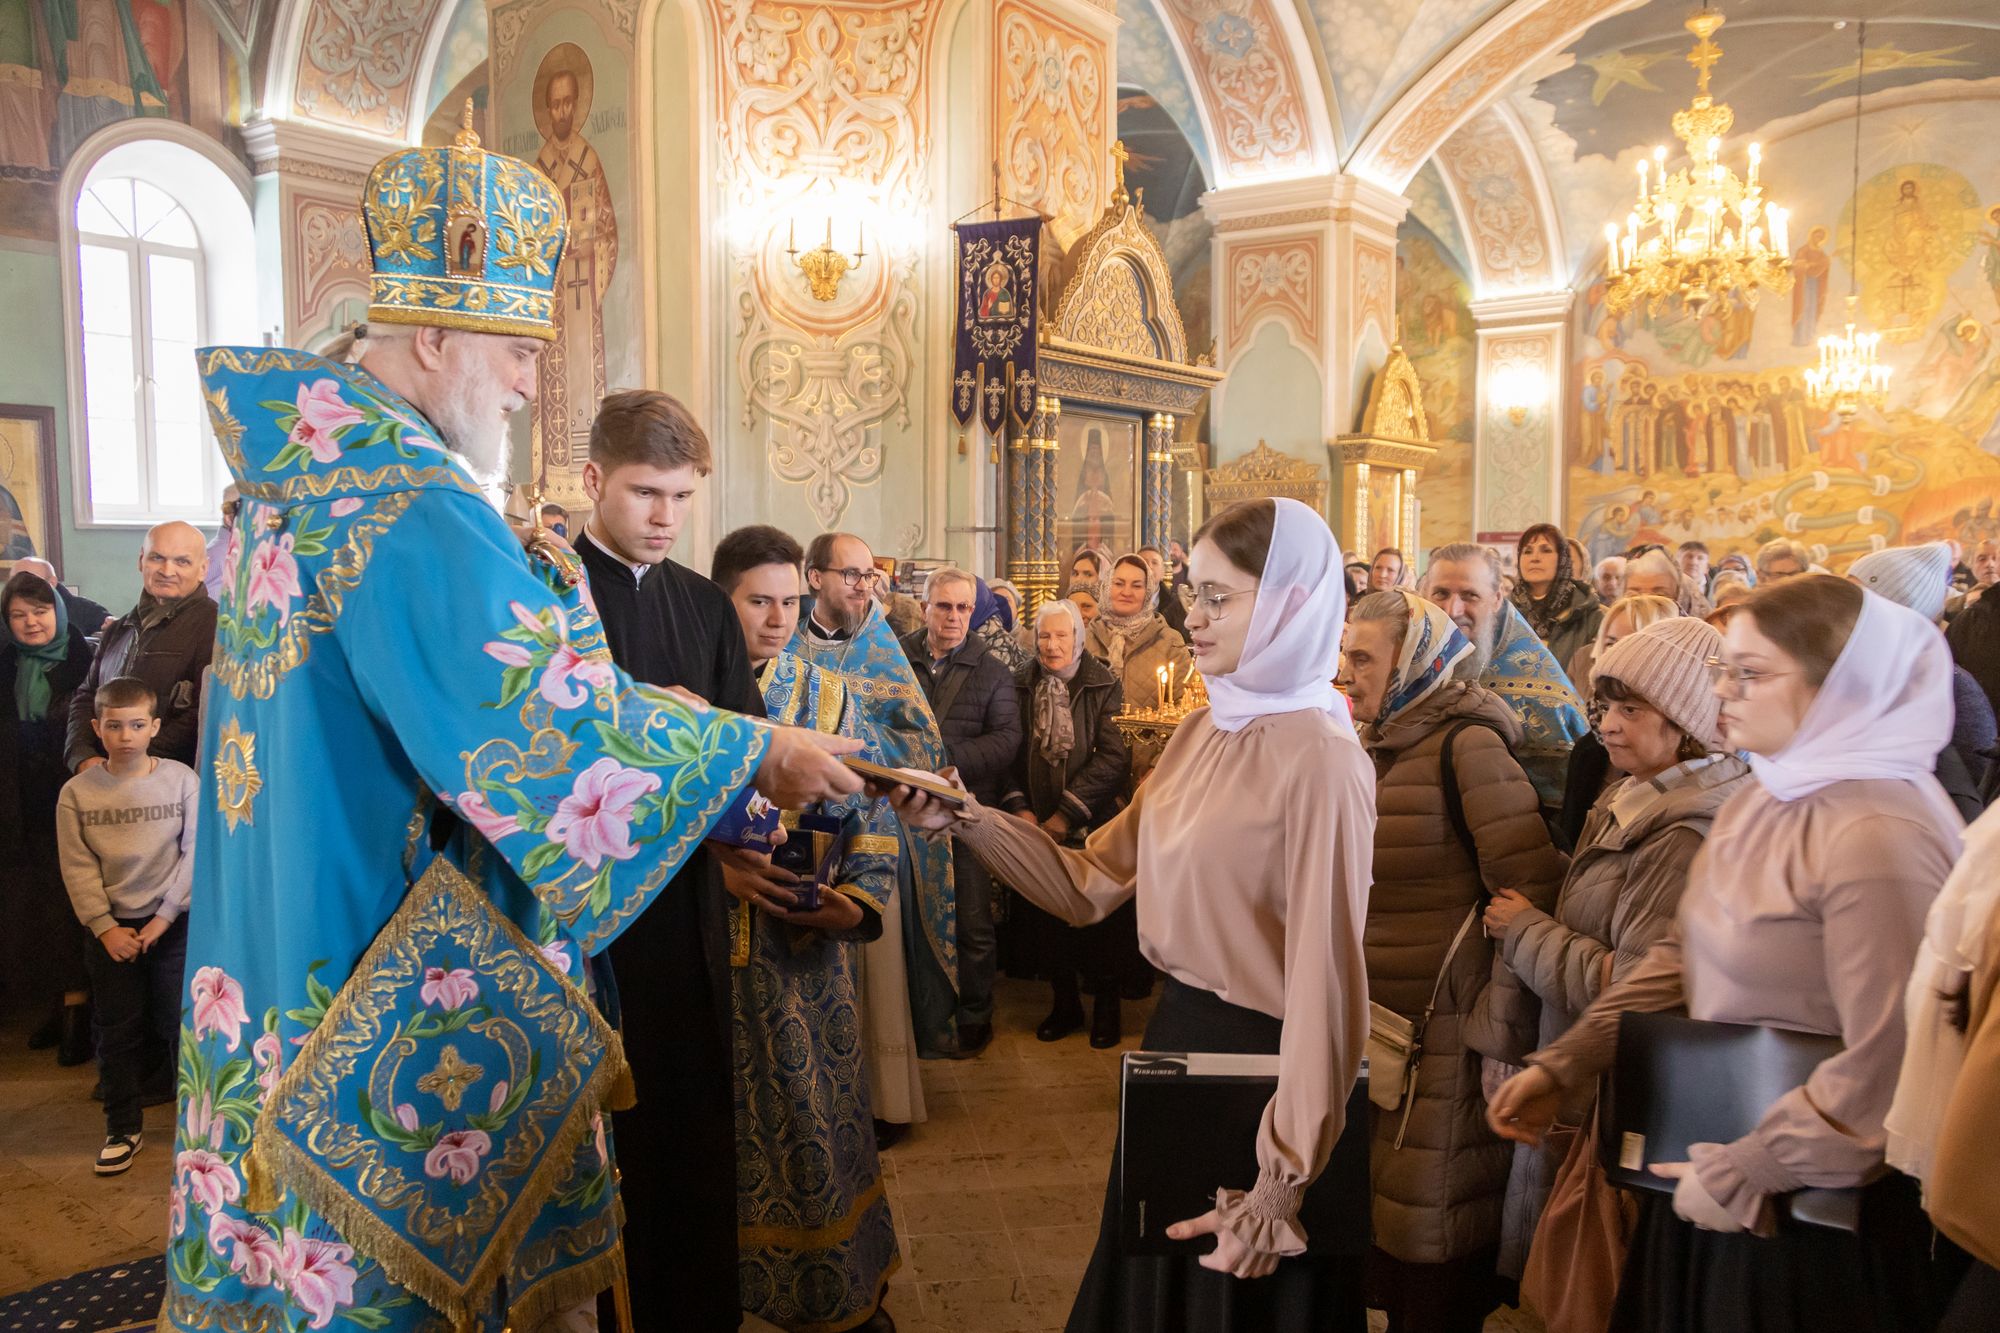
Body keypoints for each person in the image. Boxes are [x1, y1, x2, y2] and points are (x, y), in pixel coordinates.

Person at [168, 124, 862, 1333]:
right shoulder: (411, 499)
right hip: (376, 965)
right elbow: (541, 735)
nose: (532, 384)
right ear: (435, 338)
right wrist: (755, 748)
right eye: (519, 351)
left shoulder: (299, 481)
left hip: (285, 936)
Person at [887, 498, 1376, 1331]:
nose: (1195, 616)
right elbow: (1088, 881)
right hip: (1180, 1041)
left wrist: (1279, 1184)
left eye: (1219, 596)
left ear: (1292, 602)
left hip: (1268, 1076)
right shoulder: (1201, 733)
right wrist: (967, 818)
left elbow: (1325, 988)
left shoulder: (1323, 758)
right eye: (1194, 594)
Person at [1490, 575, 1965, 1333]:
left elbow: (1891, 1060)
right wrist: (1567, 1062)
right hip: (1726, 1168)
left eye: (1752, 673)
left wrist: (1754, 1167)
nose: (1723, 691)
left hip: (1811, 1214)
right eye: (1724, 669)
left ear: (1835, 685)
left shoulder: (1878, 831)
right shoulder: (1769, 797)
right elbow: (1679, 957)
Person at [571, 389, 775, 1329]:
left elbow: (748, 750)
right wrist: (667, 732)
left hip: (687, 909)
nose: (665, 516)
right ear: (594, 480)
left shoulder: (704, 605)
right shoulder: (548, 598)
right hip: (585, 918)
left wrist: (758, 805)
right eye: (646, 492)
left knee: (686, 1123)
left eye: (683, 497)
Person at [1486, 618, 1751, 1296]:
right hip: (1585, 1078)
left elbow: (1633, 984)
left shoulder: (1683, 831)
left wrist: (1525, 931)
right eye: (1605, 705)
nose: (1606, 724)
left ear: (1687, 722)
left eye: (1631, 709)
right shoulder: (1635, 794)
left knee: (1591, 1279)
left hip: (1611, 1091)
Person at [1340, 589, 1565, 1332]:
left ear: (1413, 662)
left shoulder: (1466, 746)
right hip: (1382, 1030)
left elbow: (1527, 895)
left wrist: (1498, 1035)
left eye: (1363, 657)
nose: (1346, 671)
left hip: (1447, 1035)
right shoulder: (1378, 741)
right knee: (1390, 1225)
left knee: (1433, 1234)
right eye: (1345, 653)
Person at [712, 524, 899, 1333]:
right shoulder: (681, 698)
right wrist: (714, 870)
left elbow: (870, 815)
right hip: (704, 957)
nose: (778, 619)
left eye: (790, 601)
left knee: (815, 1125)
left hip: (803, 965)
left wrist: (855, 903)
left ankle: (840, 1298)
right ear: (720, 601)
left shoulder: (827, 696)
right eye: (759, 601)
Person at [802, 532, 958, 1114]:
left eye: (869, 575)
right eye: (851, 574)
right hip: (800, 834)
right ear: (815, 577)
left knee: (878, 969)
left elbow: (924, 742)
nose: (863, 586)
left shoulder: (883, 651)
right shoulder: (783, 645)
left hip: (871, 836)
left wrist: (862, 747)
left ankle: (885, 1104)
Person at [55, 677, 197, 1174]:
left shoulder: (181, 780)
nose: (126, 736)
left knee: (179, 1024)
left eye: (137, 725)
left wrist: (165, 916)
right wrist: (104, 926)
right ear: (97, 729)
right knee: (117, 1029)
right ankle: (122, 1128)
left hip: (170, 924)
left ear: (154, 727)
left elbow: (194, 852)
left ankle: (195, 1127)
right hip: (110, 929)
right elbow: (77, 866)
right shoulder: (77, 793)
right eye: (114, 727)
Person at [1000, 597, 1132, 1046]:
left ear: (1079, 638)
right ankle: (1065, 1005)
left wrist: (1066, 814)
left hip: (1094, 824)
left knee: (1101, 920)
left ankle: (1107, 1007)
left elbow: (1113, 757)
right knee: (1050, 921)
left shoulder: (1103, 683)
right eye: (1044, 636)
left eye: (1062, 635)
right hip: (1036, 823)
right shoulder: (1020, 683)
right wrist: (1021, 809)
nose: (1052, 645)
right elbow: (1009, 753)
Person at [901, 566, 1021, 1057]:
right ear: (925, 607)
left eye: (963, 608)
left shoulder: (992, 671)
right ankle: (917, 1016)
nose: (954, 617)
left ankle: (974, 1016)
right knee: (911, 917)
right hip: (905, 810)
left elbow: (1007, 739)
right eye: (944, 606)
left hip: (965, 811)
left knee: (972, 922)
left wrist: (942, 758)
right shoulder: (897, 660)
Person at [2, 569, 98, 1064]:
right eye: (18, 615)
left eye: (40, 611)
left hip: (72, 793)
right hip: (21, 801)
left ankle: (81, 1009)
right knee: (37, 906)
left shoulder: (85, 659)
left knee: (76, 899)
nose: (31, 622)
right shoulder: (6, 663)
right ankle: (56, 1005)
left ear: (57, 610)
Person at [1426, 543, 1588, 813]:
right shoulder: (1405, 665)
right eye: (1441, 593)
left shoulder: (1546, 701)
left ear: (1497, 599)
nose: (1452, 610)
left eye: (1470, 595)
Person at [1850, 541, 1995, 816]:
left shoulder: (1951, 684)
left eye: (1857, 600)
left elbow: (1976, 787)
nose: (1842, 612)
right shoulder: (1863, 676)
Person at [64, 521, 214, 773]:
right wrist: (81, 755)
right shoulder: (118, 629)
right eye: (157, 558)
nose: (167, 570)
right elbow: (87, 696)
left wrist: (133, 763)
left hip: (170, 780)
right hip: (102, 775)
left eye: (182, 561)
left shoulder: (215, 628)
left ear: (203, 569)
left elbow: (203, 713)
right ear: (141, 560)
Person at [1559, 594, 1680, 849]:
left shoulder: (1673, 757)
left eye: (1632, 644)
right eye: (1610, 644)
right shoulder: (1588, 748)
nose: (1616, 656)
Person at [1089, 553, 1193, 784]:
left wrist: (1159, 766)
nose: (1126, 592)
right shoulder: (1087, 638)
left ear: (1148, 592)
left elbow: (1186, 713)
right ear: (1107, 587)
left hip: (1147, 774)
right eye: (1119, 583)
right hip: (1092, 772)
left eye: (1136, 586)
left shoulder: (1168, 641)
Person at [1511, 524, 1604, 686]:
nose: (1535, 558)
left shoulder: (1590, 615)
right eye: (1527, 551)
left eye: (1546, 550)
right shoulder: (1504, 612)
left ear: (1563, 559)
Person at [12, 554, 113, 637]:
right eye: (14, 582)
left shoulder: (85, 610)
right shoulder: (7, 613)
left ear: (52, 582)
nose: (21, 589)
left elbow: (114, 630)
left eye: (30, 582)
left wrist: (115, 625)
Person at [971, 575, 1034, 678]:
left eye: (1006, 600)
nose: (1000, 607)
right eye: (994, 600)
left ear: (1017, 607)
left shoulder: (1031, 638)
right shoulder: (973, 638)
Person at [1139, 544, 1191, 637]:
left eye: (1154, 563)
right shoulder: (1125, 600)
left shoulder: (1177, 605)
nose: (1149, 566)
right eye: (1144, 562)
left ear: (1163, 572)